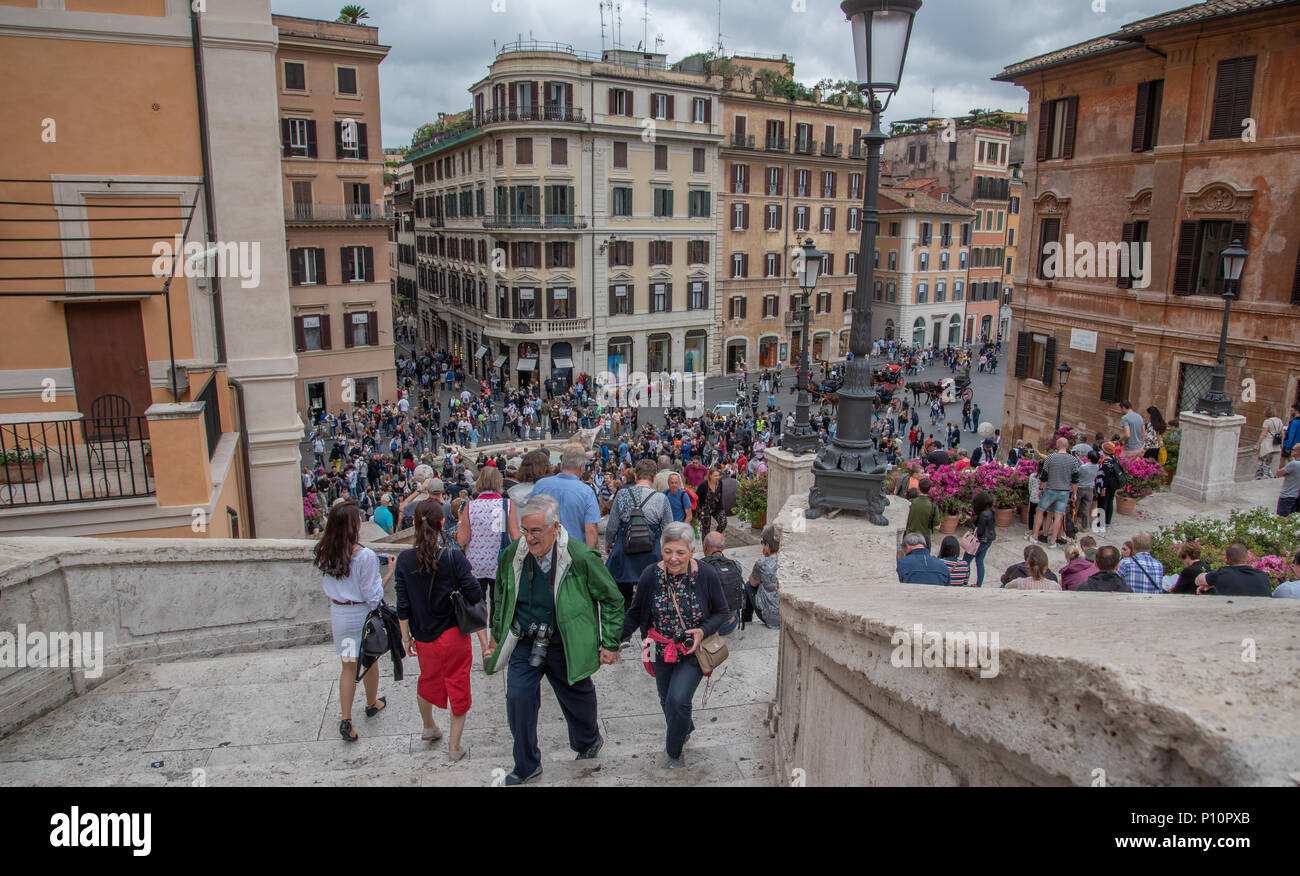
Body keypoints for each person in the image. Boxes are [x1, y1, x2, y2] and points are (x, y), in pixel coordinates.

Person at [484, 494, 624, 785]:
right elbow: (500, 597)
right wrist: (497, 636)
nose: (529, 538)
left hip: (565, 642)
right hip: (526, 640)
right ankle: (526, 765)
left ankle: (588, 740)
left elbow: (612, 599)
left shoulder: (581, 557)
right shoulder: (513, 555)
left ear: (555, 528)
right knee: (518, 698)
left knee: (578, 695)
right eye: (525, 530)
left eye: (536, 531)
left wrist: (609, 643)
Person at [622, 522, 729, 767]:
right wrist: (613, 641)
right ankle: (685, 725)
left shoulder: (706, 575)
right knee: (665, 699)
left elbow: (722, 612)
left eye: (680, 552)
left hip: (693, 650)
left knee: (678, 699)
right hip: (659, 648)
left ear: (692, 551)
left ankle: (673, 751)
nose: (673, 558)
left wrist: (702, 631)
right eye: (668, 551)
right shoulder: (651, 575)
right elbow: (635, 612)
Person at [395, 501, 480, 761]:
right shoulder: (453, 557)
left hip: (423, 637)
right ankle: (454, 747)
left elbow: (402, 603)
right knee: (458, 682)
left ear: (414, 525)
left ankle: (429, 726)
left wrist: (405, 636)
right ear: (443, 524)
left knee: (427, 679)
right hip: (453, 633)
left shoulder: (404, 560)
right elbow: (475, 593)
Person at [314, 500, 394, 742]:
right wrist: (388, 573)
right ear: (353, 525)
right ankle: (371, 703)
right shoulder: (365, 556)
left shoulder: (325, 551)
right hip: (362, 617)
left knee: (348, 666)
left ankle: (346, 718)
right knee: (370, 660)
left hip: (340, 615)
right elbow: (372, 596)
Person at [457, 463, 520, 660]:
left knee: (478, 604)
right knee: (498, 604)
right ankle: (494, 644)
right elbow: (515, 536)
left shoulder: (470, 506)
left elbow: (462, 540)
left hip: (475, 564)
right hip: (499, 563)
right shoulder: (506, 504)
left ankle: (484, 646)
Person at [605, 458, 674, 614]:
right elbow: (669, 529)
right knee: (653, 591)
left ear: (635, 476)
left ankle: (626, 628)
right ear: (654, 478)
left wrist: (608, 544)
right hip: (651, 553)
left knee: (623, 594)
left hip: (625, 550)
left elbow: (612, 526)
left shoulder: (622, 495)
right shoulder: (661, 499)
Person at [532, 446, 601, 548]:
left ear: (562, 464)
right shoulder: (586, 492)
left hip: (545, 550)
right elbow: (591, 530)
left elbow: (530, 518)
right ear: (582, 467)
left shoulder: (540, 485)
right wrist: (590, 557)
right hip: (575, 553)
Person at [1033, 438, 1079, 548]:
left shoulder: (1051, 458)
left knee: (1040, 511)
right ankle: (1053, 541)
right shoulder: (1073, 460)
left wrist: (1041, 489)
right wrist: (1075, 493)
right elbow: (1075, 479)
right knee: (1058, 515)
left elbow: (1044, 476)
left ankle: (1034, 536)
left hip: (1050, 489)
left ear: (1057, 445)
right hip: (1064, 491)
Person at [1194, 543, 1273, 596]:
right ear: (1248, 559)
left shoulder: (1222, 573)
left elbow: (1198, 580)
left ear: (1226, 560)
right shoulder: (1262, 575)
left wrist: (1208, 585)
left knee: (1207, 591)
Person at [748, 525, 782, 628]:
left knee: (748, 586)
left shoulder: (761, 563)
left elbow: (752, 582)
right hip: (785, 617)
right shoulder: (787, 561)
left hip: (769, 616)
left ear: (768, 545)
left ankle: (746, 618)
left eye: (764, 544)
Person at [965, 490, 996, 588]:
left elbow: (979, 531)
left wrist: (969, 521)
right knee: (979, 561)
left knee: (966, 561)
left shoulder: (983, 515)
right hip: (988, 541)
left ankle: (964, 582)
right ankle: (979, 584)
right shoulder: (990, 511)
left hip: (980, 542)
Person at [904, 478, 942, 548]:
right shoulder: (933, 506)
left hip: (910, 536)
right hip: (924, 539)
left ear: (918, 488)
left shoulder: (910, 503)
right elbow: (937, 526)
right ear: (929, 490)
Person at [695, 465, 727, 538]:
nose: (717, 477)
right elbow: (697, 498)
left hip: (717, 508)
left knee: (723, 523)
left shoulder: (720, 483)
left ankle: (714, 538)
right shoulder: (703, 485)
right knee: (706, 529)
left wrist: (721, 510)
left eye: (718, 475)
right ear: (710, 476)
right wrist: (699, 512)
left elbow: (720, 496)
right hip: (705, 508)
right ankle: (705, 546)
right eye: (715, 476)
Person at [1257, 406, 1285, 479]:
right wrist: (1282, 444)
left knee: (1262, 462)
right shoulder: (1279, 420)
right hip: (1275, 445)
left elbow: (1263, 434)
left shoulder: (1267, 421)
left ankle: (1272, 477)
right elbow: (1282, 433)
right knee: (1267, 462)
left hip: (1267, 444)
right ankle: (1257, 477)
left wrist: (1257, 444)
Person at [1276, 451, 1300, 517]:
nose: (1292, 452)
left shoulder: (1293, 464)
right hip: (1297, 497)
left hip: (1287, 496)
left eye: (1294, 450)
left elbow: (1278, 473)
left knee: (1282, 519)